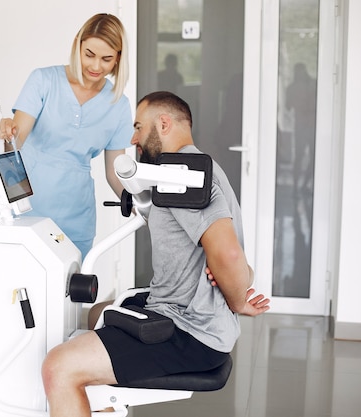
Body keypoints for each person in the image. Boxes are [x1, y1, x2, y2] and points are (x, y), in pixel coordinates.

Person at [41, 91, 270, 416]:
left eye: (138, 126)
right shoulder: (197, 169)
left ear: (163, 123)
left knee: (58, 367)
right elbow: (238, 261)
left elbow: (231, 258)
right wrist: (239, 290)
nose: (133, 138)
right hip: (187, 315)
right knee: (94, 315)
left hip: (189, 331)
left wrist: (236, 300)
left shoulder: (182, 175)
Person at [0, 13, 133, 259]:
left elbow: (114, 173)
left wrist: (142, 207)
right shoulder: (43, 80)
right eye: (89, 54)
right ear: (77, 44)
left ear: (118, 59)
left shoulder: (119, 104)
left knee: (69, 294)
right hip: (26, 211)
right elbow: (15, 143)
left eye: (106, 59)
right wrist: (7, 128)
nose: (96, 66)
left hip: (76, 217)